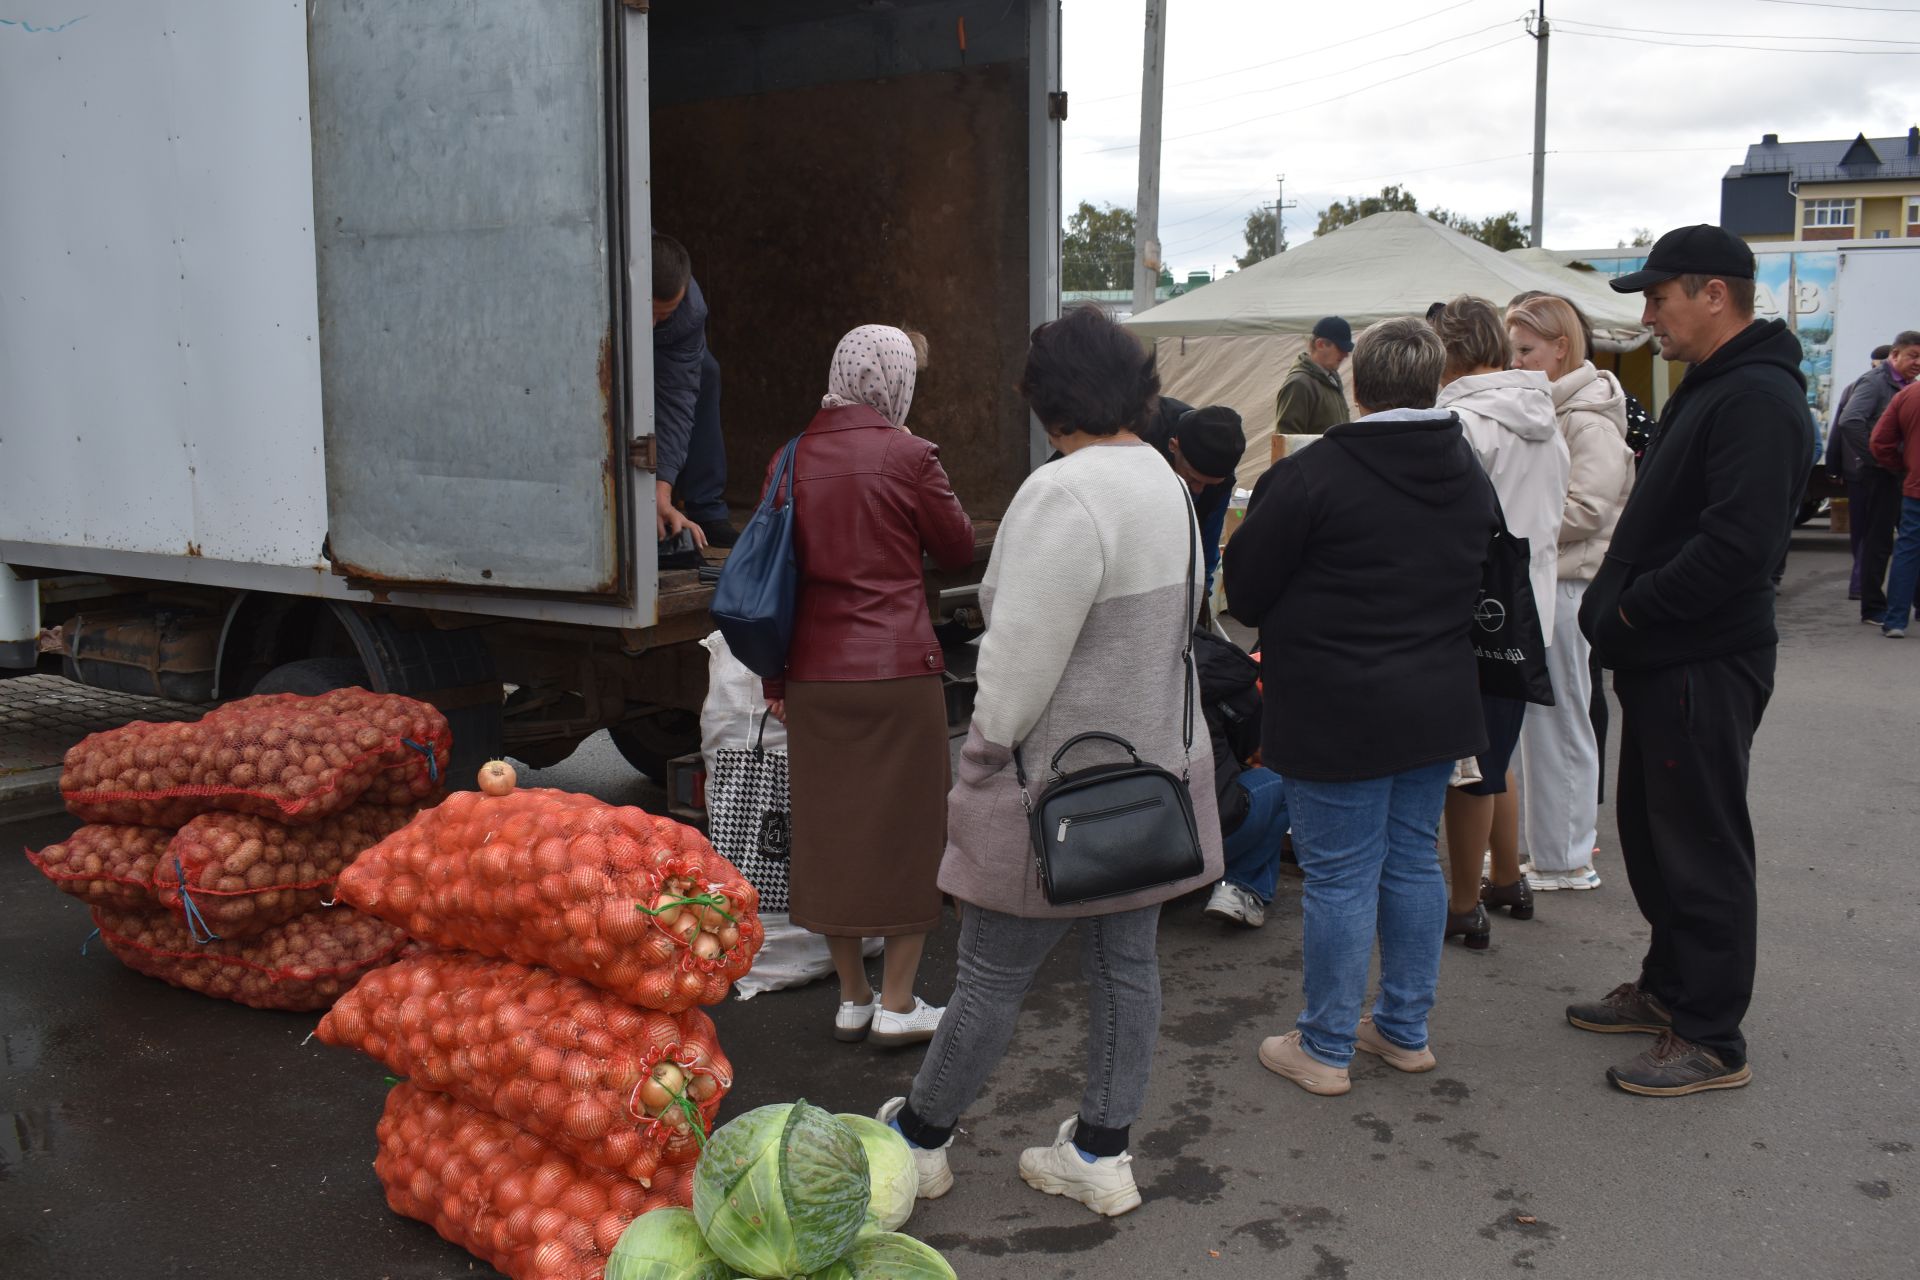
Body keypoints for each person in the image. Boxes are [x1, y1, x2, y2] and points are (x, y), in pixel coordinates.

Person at [881, 305, 1222, 1218]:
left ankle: (920, 1139)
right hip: (1148, 784)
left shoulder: (1061, 494)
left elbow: (1018, 665)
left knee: (991, 972)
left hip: (1054, 789)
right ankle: (1102, 1153)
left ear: (1048, 401)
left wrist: (983, 756)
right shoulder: (1163, 478)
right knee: (1127, 965)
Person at [1228, 317, 1499, 1097]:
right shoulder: (1465, 466)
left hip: (1336, 704)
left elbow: (1244, 591)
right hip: (1435, 700)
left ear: (1356, 383)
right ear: (1433, 383)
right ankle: (1403, 1029)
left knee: (1342, 877)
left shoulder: (1316, 473)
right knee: (1413, 860)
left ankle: (1325, 1045)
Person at [1573, 224, 1812, 1096]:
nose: (1649, 315)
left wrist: (1632, 608)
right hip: (1669, 659)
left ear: (1715, 293)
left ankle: (1712, 1035)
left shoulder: (1755, 397)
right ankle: (1671, 991)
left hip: (1701, 659)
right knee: (1656, 834)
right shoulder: (1719, 385)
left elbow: (1737, 548)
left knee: (1700, 845)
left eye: (1659, 296)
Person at [761, 325, 975, 1048]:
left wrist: (775, 677)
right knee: (909, 834)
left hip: (814, 674)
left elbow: (772, 572)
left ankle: (851, 999)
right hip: (895, 672)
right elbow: (955, 546)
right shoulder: (910, 455)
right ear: (893, 380)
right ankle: (898, 1002)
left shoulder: (789, 460)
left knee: (832, 835)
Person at [1431, 298, 1569, 948]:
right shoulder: (1543, 416)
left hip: (1475, 614)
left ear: (1448, 353)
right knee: (1498, 750)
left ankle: (1462, 904)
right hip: (1528, 609)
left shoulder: (1461, 422)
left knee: (1470, 765)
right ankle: (1507, 876)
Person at [1506, 294, 1635, 892]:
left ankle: (1564, 857)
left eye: (1527, 350)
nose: (1517, 361)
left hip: (1566, 585)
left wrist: (1514, 528)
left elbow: (1588, 506)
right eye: (1513, 351)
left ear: (1562, 347)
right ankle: (1542, 849)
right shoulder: (1553, 407)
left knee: (1559, 721)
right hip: (1545, 579)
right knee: (1538, 721)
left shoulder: (1586, 415)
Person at [1196, 628, 1289, 929]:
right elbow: (1249, 749)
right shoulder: (1228, 673)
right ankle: (1240, 885)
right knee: (1289, 782)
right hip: (1203, 836)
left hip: (1116, 834)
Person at [1829, 331, 1920, 624]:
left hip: (1899, 473)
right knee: (1878, 542)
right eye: (1913, 356)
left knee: (1908, 542)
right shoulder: (1875, 382)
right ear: (1894, 354)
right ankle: (1873, 607)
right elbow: (1849, 421)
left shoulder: (1908, 385)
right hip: (1880, 474)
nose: (1918, 363)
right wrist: (1878, 458)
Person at [652, 235, 735, 550]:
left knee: (706, 373)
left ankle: (706, 507)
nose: (650, 323)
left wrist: (660, 495)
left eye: (663, 314)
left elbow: (676, 400)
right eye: (649, 310)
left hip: (670, 352)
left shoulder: (689, 312)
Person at [1827, 344, 1893, 600]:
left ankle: (1861, 583)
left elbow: (1838, 430)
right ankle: (1861, 584)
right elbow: (1843, 426)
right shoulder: (1864, 388)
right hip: (1868, 469)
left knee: (1865, 531)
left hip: (1861, 469)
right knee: (1870, 531)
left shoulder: (1854, 388)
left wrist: (1834, 466)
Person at [1870, 381, 1920, 638]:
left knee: (1909, 549)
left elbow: (1880, 440)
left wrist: (1901, 467)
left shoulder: (1908, 394)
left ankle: (1896, 620)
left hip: (1916, 485)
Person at [1274, 316, 1354, 440]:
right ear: (1320, 344)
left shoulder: (1332, 378)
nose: (1345, 355)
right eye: (1340, 348)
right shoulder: (1299, 384)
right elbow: (1287, 441)